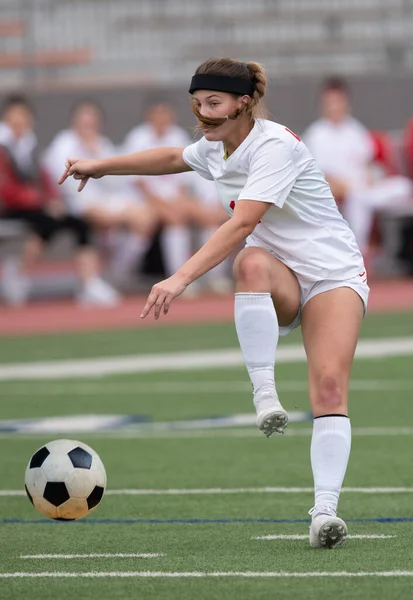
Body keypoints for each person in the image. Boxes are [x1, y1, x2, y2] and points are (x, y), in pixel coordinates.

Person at [59, 57, 370, 549]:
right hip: (279, 271)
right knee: (250, 263)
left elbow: (242, 222)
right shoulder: (217, 145)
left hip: (333, 273)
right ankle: (264, 395)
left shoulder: (274, 147)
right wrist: (101, 166)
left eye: (214, 103)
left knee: (329, 387)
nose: (202, 113)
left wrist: (179, 278)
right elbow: (170, 159)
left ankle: (324, 513)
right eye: (198, 103)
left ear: (244, 103)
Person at [44, 100, 157, 291]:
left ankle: (118, 274)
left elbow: (116, 181)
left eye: (92, 121)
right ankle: (100, 278)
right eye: (84, 121)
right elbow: (65, 184)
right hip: (77, 203)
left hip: (109, 199)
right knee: (104, 219)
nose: (88, 126)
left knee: (146, 218)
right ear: (75, 121)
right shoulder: (62, 145)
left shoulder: (102, 144)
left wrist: (96, 154)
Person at [303, 77, 413, 261]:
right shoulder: (316, 135)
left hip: (365, 187)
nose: (334, 107)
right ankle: (358, 254)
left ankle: (377, 246)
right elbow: (318, 175)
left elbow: (369, 163)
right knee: (358, 199)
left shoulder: (355, 130)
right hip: (341, 192)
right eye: (330, 103)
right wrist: (346, 186)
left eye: (338, 102)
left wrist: (373, 175)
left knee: (404, 186)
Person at [123, 102, 227, 292]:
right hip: (146, 202)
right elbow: (138, 182)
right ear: (149, 116)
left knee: (210, 218)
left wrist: (180, 202)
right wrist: (165, 206)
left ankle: (215, 277)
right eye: (157, 114)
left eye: (166, 114)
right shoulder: (137, 138)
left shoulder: (177, 135)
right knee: (175, 220)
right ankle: (179, 279)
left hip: (176, 200)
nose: (162, 119)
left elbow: (185, 180)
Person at [0, 94, 94, 306]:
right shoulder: (2, 147)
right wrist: (41, 201)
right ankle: (18, 271)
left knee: (79, 224)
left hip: (34, 206)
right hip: (10, 207)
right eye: (14, 117)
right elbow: (6, 189)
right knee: (48, 221)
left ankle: (89, 283)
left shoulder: (29, 144)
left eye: (23, 117)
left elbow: (44, 177)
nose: (19, 122)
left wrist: (53, 199)